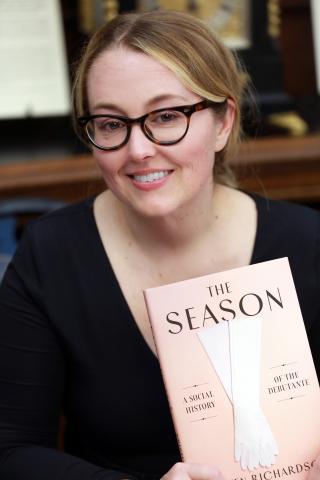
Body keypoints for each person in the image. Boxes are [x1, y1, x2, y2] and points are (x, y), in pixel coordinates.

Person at [0, 9, 319, 480]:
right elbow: (12, 451)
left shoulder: (309, 244)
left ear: (224, 122)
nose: (138, 150)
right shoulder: (51, 255)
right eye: (110, 124)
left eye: (167, 116)